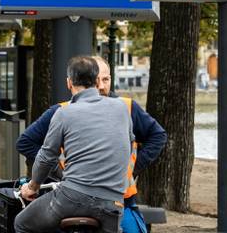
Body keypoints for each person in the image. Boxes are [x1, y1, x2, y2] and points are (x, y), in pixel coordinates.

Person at [17, 57, 166, 233]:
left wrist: (33, 186)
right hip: (113, 202)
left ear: (69, 82)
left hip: (74, 197)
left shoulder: (64, 113)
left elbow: (45, 157)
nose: (102, 85)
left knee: (21, 223)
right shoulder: (122, 108)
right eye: (100, 80)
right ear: (94, 82)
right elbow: (128, 142)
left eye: (106, 79)